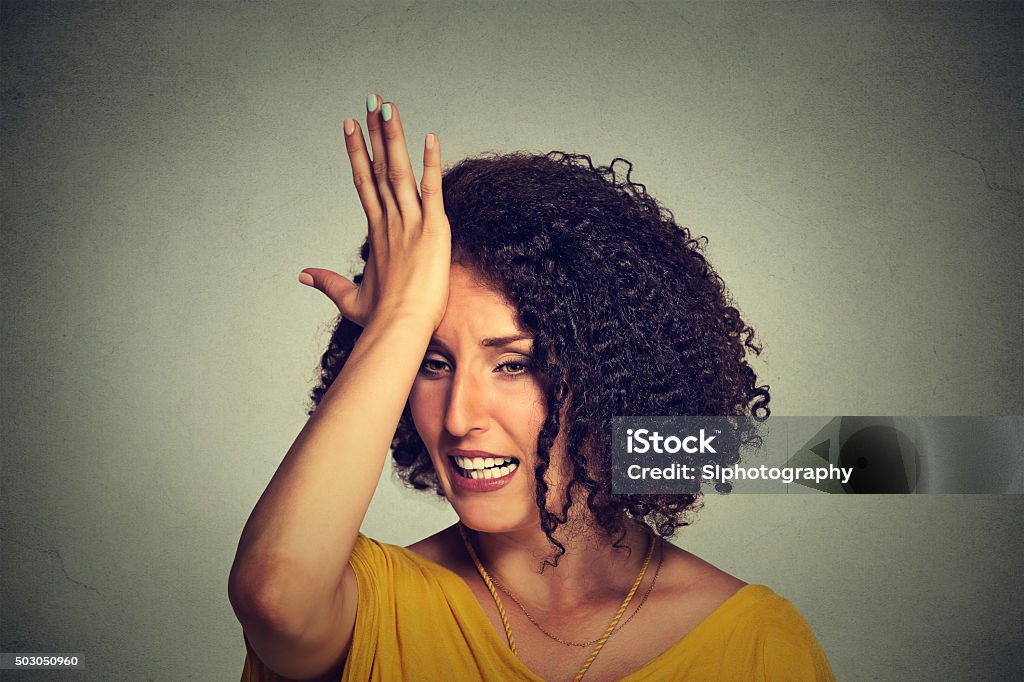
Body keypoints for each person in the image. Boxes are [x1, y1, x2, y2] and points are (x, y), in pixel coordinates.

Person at [229, 94, 835, 681]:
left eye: (513, 364)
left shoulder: (756, 646)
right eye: (431, 364)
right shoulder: (369, 606)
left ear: (612, 377)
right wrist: (400, 320)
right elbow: (273, 595)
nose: (459, 417)